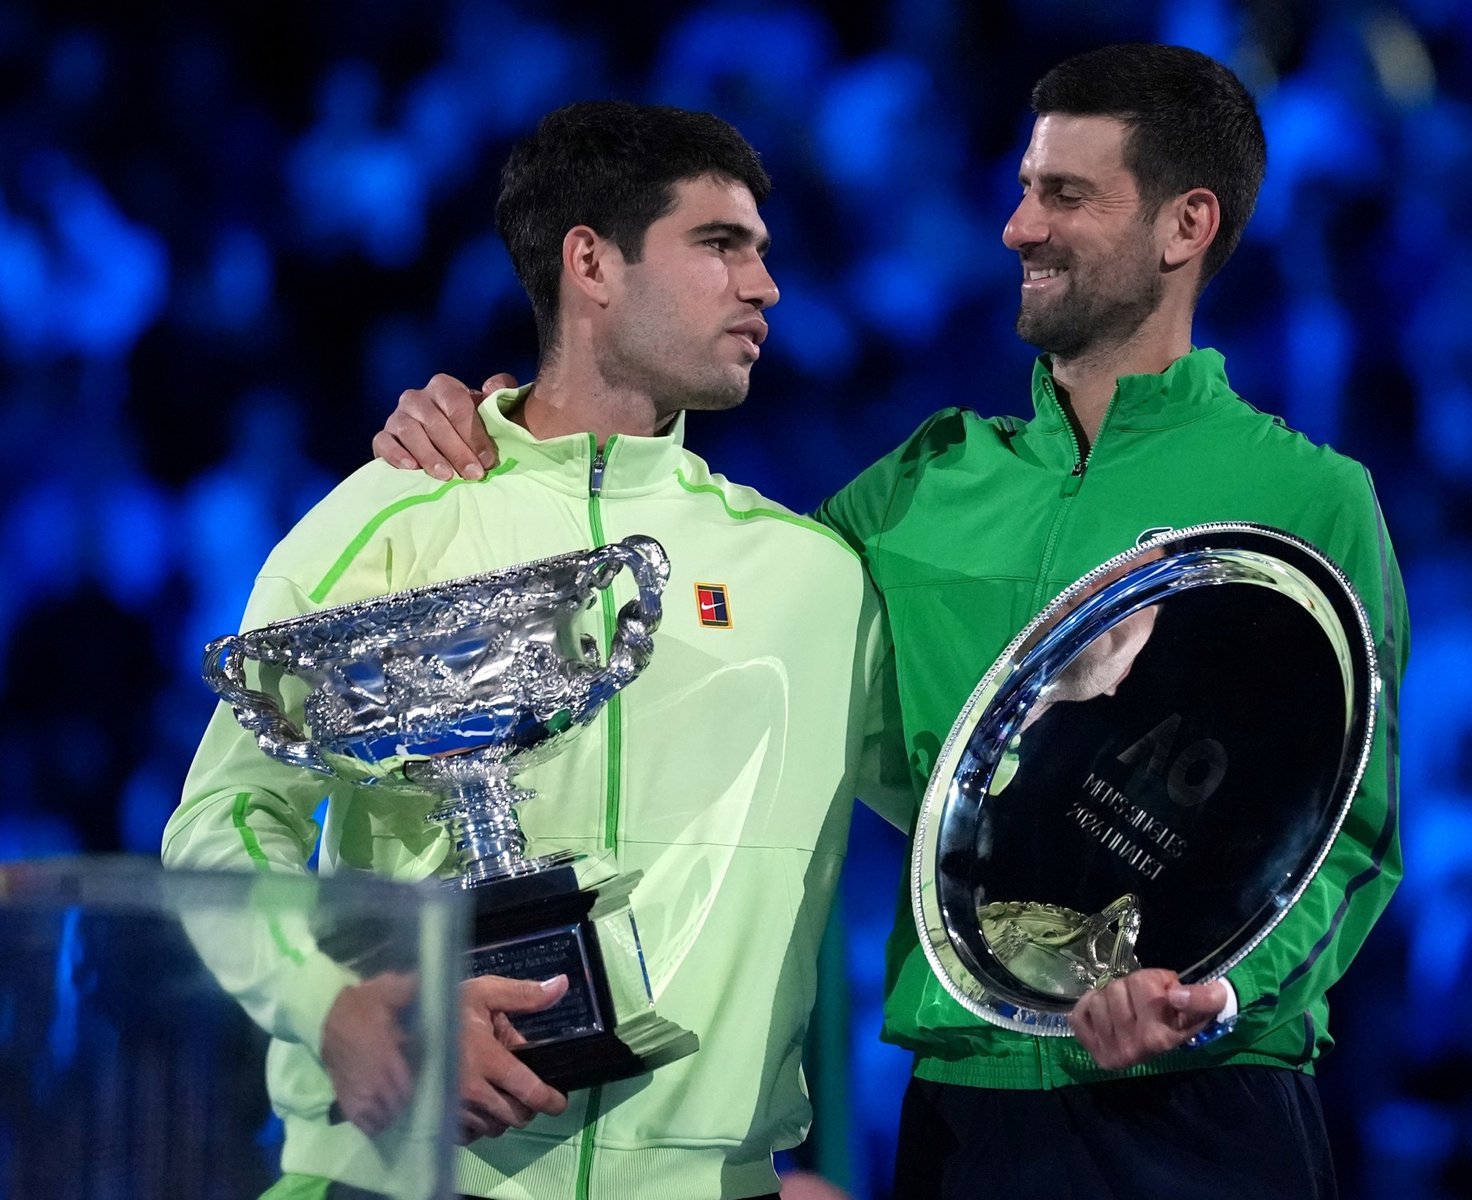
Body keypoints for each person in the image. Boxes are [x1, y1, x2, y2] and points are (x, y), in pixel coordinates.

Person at [378, 43, 1408, 1199]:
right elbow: (692, 604)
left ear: (1185, 227)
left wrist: (1215, 993)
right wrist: (502, 429)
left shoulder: (1309, 503)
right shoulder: (916, 486)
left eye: (1064, 195)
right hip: (967, 1115)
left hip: (1204, 1114)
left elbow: (1349, 837)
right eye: (1023, 189)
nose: (1018, 227)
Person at [166, 100, 907, 1200]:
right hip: (400, 1170)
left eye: (763, 252)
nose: (765, 287)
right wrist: (331, 1006)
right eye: (720, 245)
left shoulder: (814, 579)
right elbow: (223, 818)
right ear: (591, 263)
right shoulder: (392, 514)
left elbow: (967, 824)